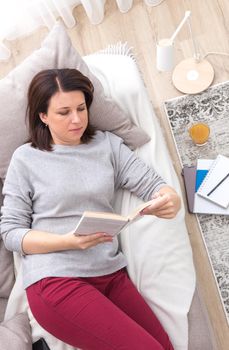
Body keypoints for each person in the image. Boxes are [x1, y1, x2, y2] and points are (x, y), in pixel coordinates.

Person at [1, 68, 181, 350]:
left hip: (110, 272)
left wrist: (170, 199)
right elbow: (11, 233)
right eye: (64, 112)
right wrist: (66, 241)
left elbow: (153, 185)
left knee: (164, 347)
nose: (77, 119)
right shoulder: (26, 159)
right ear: (43, 116)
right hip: (56, 280)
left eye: (81, 108)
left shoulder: (107, 145)